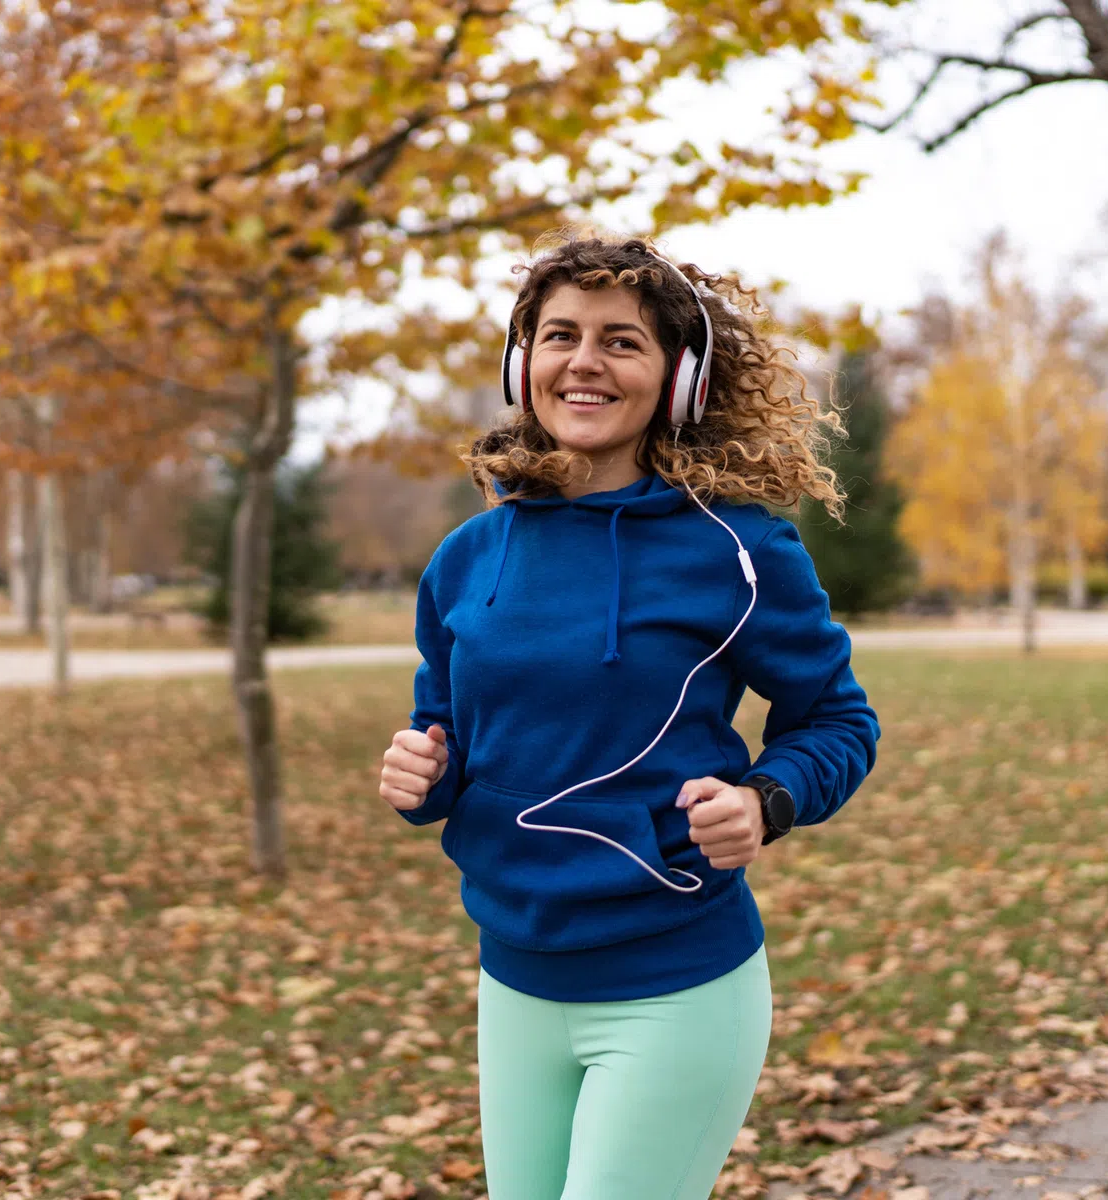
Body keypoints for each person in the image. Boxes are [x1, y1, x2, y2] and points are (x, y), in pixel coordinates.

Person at [377, 230, 880, 1200]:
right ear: (523, 365)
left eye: (621, 340)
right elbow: (440, 743)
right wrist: (417, 779)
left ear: (677, 379)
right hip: (515, 982)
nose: (585, 361)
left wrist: (767, 801)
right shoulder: (465, 561)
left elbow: (838, 720)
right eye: (560, 335)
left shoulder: (739, 552)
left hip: (676, 985)